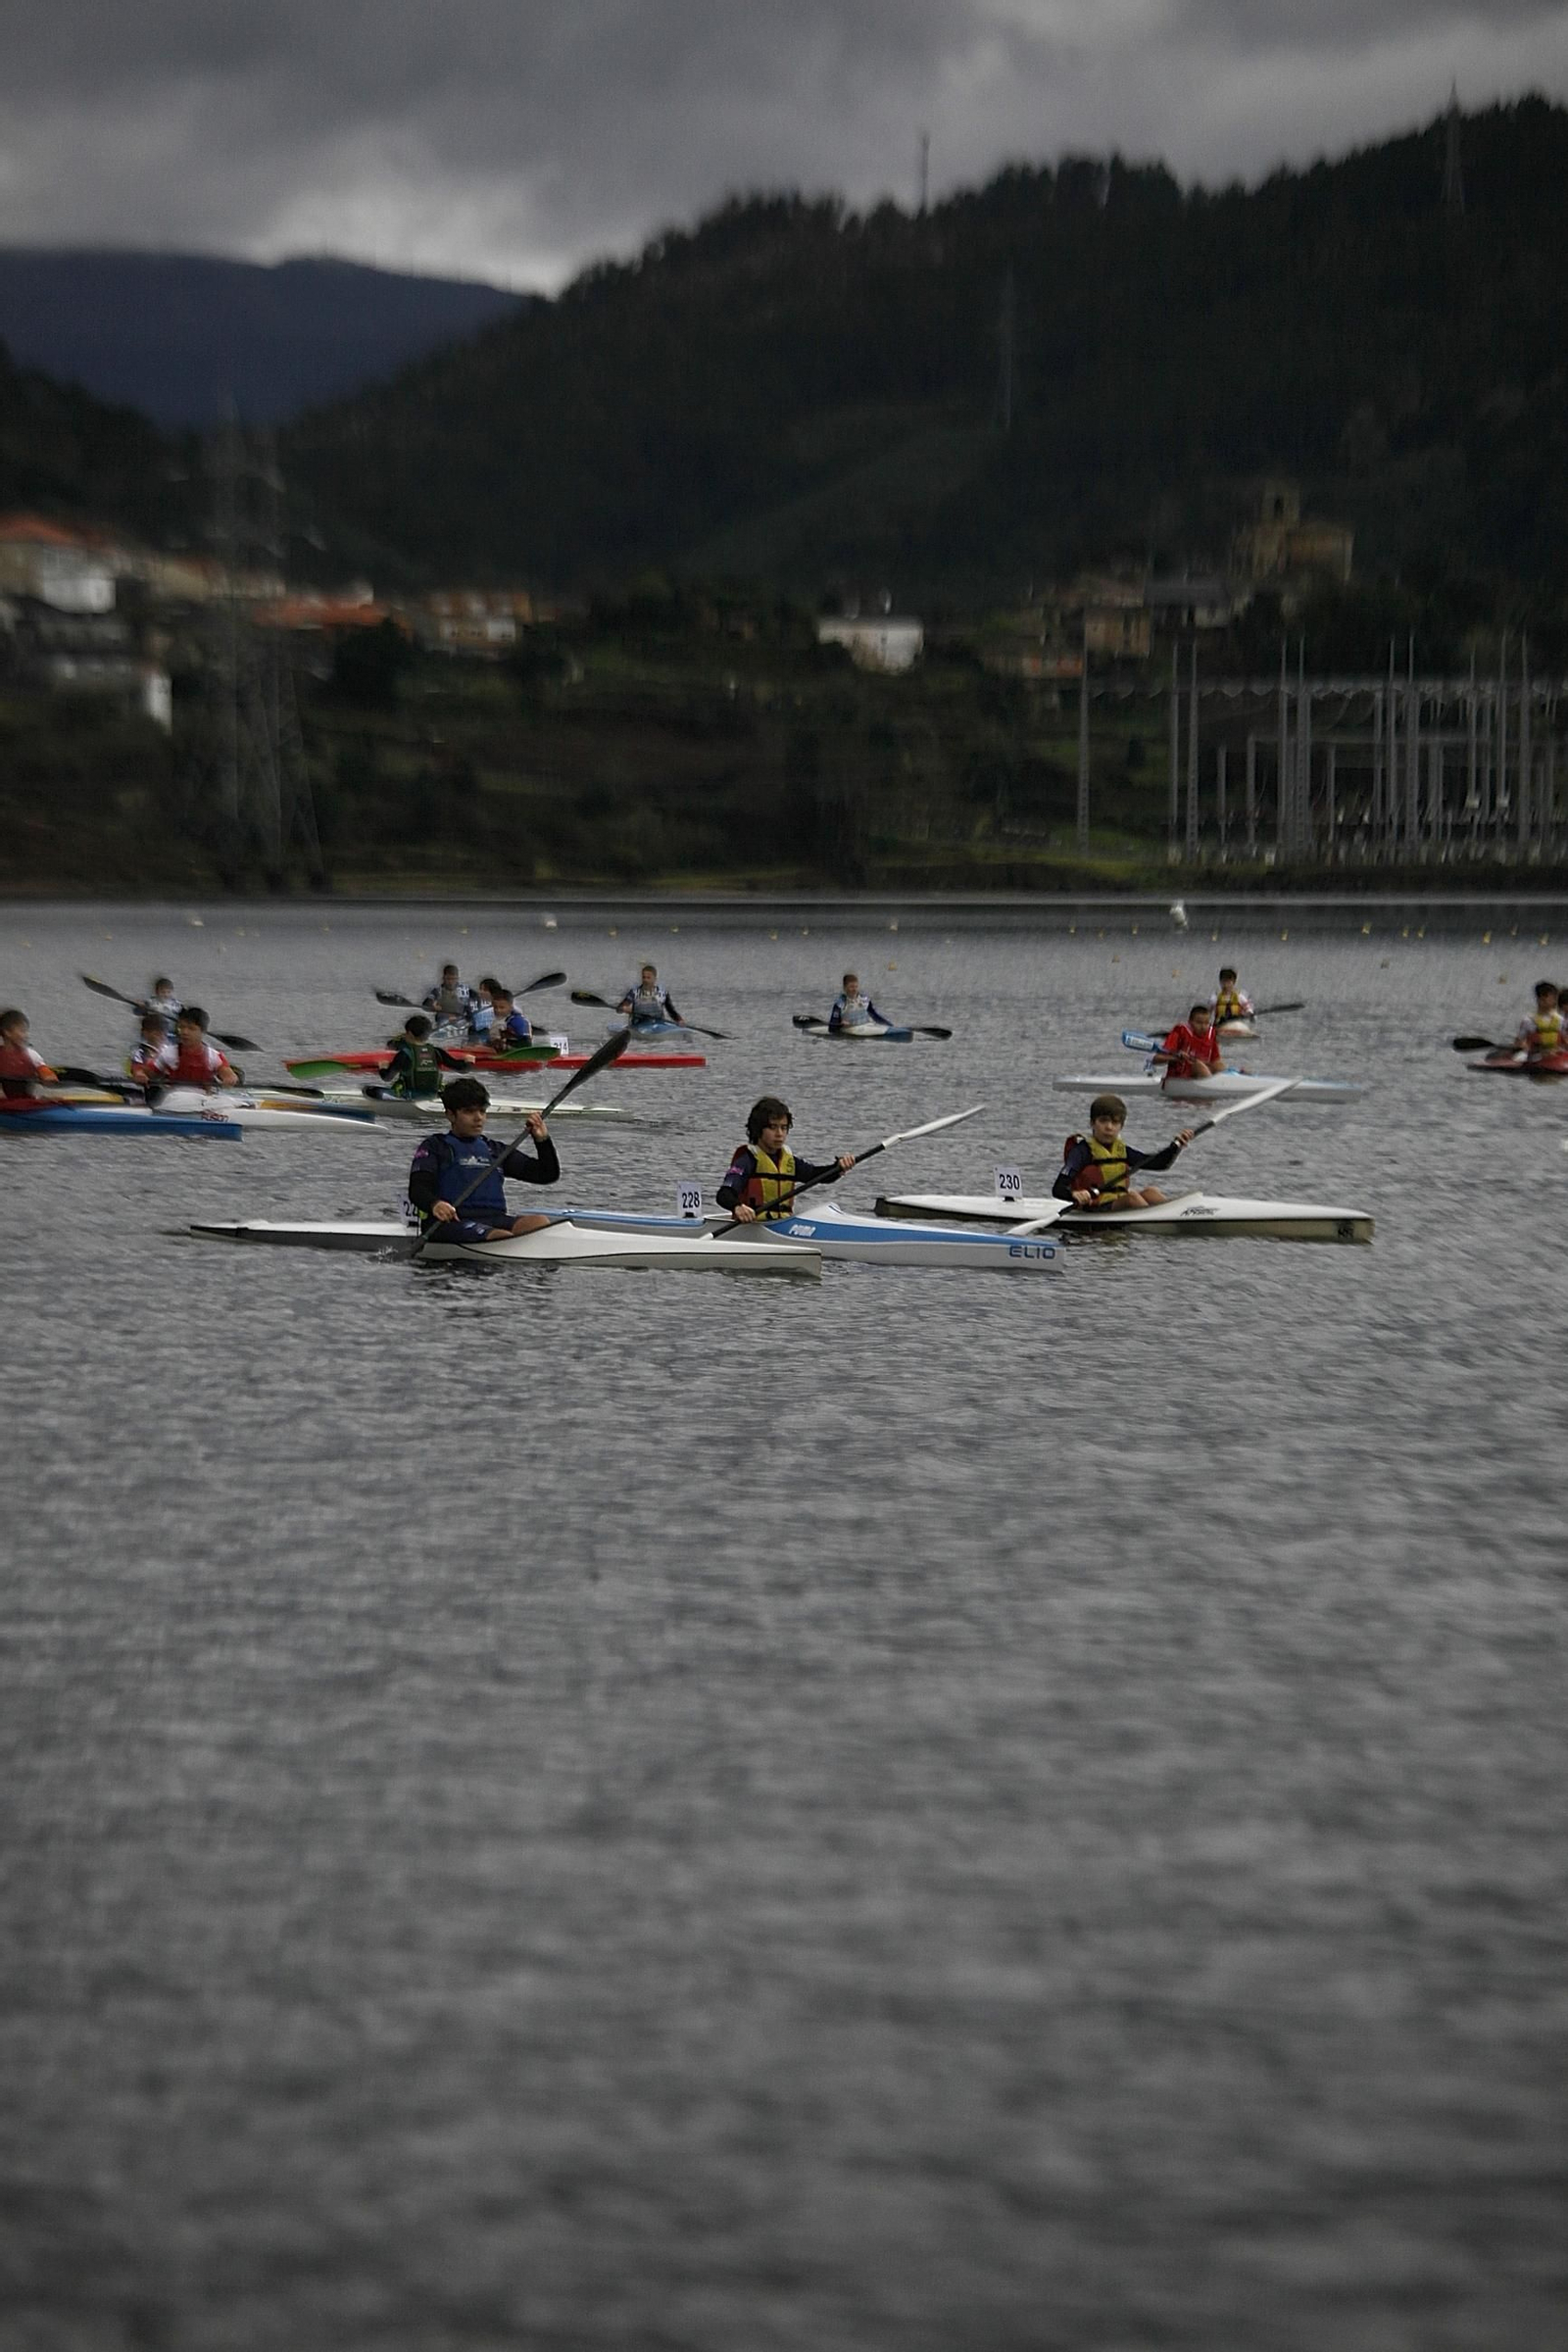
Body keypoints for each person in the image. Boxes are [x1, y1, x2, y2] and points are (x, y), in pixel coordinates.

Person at [408, 1078, 560, 1243]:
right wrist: (435, 1204)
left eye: (482, 1111)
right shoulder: (436, 1146)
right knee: (501, 1237)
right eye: (469, 1112)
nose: (478, 1118)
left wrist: (542, 1140)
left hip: (494, 1219)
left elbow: (547, 1174)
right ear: (450, 1115)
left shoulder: (494, 1150)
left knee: (539, 1223)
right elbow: (417, 1188)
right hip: (451, 1222)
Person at [716, 1096, 855, 1222]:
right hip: (752, 1227)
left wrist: (839, 1167)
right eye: (773, 1127)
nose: (779, 1134)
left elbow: (818, 1175)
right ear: (758, 1129)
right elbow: (724, 1194)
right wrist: (737, 1207)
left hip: (780, 1224)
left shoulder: (788, 1161)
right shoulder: (747, 1160)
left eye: (784, 1128)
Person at [1053, 1093, 1197, 1213]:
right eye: (1103, 1121)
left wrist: (1176, 1146)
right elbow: (1058, 1189)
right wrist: (1074, 1194)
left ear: (1121, 1126)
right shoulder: (1082, 1152)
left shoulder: (1122, 1150)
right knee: (1132, 1197)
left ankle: (1175, 1217)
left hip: (1115, 1205)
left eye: (1115, 1123)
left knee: (1151, 1192)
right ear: (1092, 1123)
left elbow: (1159, 1164)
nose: (1109, 1127)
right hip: (1093, 1208)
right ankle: (1158, 1222)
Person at [167, 1008, 241, 1089]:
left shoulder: (213, 1056)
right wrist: (150, 1076)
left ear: (202, 1032)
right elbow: (150, 1071)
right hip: (176, 1096)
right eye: (182, 1027)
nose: (185, 1032)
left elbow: (229, 1075)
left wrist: (230, 1079)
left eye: (191, 1028)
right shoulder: (167, 1053)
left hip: (203, 1097)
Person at [1153, 1003, 1225, 1082]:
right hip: (1179, 1075)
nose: (1203, 1027)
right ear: (1190, 1022)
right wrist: (1176, 1057)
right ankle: (1213, 1086)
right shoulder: (1180, 1032)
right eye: (1199, 1023)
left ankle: (1223, 1084)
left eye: (1206, 1023)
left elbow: (1216, 1060)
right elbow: (1156, 1059)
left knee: (1220, 1066)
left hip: (1200, 1072)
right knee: (1198, 1065)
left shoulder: (1211, 1034)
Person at [382, 1012, 445, 1099]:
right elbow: (461, 1067)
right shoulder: (437, 1052)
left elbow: (387, 1077)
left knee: (373, 1091)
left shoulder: (404, 1054)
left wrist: (382, 1067)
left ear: (410, 1033)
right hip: (434, 1096)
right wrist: (468, 1061)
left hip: (410, 1098)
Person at [0, 1008, 59, 1098]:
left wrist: (48, 1077)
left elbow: (47, 1075)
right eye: (22, 1031)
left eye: (26, 1031)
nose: (26, 1035)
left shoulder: (32, 1055)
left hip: (26, 1099)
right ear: (7, 1032)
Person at [616, 964, 685, 1028]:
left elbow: (671, 1011)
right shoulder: (634, 992)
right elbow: (620, 1008)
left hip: (658, 1024)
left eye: (648, 978)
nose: (645, 980)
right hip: (638, 1024)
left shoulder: (663, 993)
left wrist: (679, 1020)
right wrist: (623, 1008)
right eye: (644, 977)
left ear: (654, 978)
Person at [1514, 980, 1566, 1059]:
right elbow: (1519, 1042)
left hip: (1556, 1055)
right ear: (1540, 999)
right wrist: (1523, 1046)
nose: (1555, 1001)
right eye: (1551, 998)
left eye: (1555, 998)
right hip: (1536, 1056)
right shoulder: (1528, 1021)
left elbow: (1565, 1040)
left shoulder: (1561, 1020)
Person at [127, 1011, 177, 1087]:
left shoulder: (170, 1050)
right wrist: (139, 1074)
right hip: (150, 1087)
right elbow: (136, 1069)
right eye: (156, 1033)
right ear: (145, 1033)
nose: (161, 1036)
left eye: (163, 1033)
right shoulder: (139, 1052)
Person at [422, 963, 473, 1027]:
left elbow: (475, 1002)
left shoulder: (466, 990)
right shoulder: (437, 991)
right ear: (443, 978)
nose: (451, 982)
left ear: (457, 978)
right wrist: (433, 1006)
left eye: (453, 979)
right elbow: (426, 1004)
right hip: (444, 1021)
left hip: (460, 1020)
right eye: (448, 979)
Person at [466, 977, 499, 1043]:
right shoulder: (477, 1004)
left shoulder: (499, 1005)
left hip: (490, 1032)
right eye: (480, 989)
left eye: (484, 990)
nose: (480, 992)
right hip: (476, 1031)